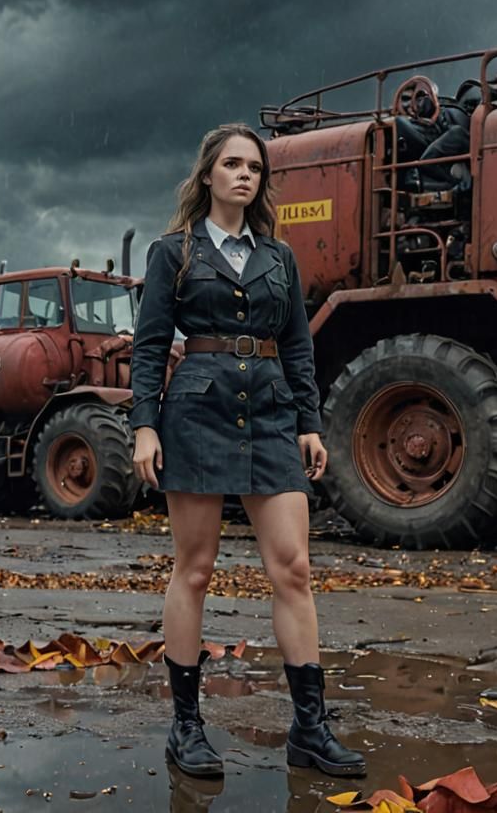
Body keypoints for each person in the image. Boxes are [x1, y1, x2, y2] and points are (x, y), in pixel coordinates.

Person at [130, 123, 366, 780]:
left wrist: (308, 422)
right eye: (231, 164)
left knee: (293, 568)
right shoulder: (172, 252)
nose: (243, 175)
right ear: (207, 175)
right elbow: (149, 345)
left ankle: (310, 729)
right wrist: (144, 425)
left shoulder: (279, 259)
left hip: (269, 412)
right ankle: (186, 728)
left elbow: (297, 345)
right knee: (196, 569)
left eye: (254, 168)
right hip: (196, 412)